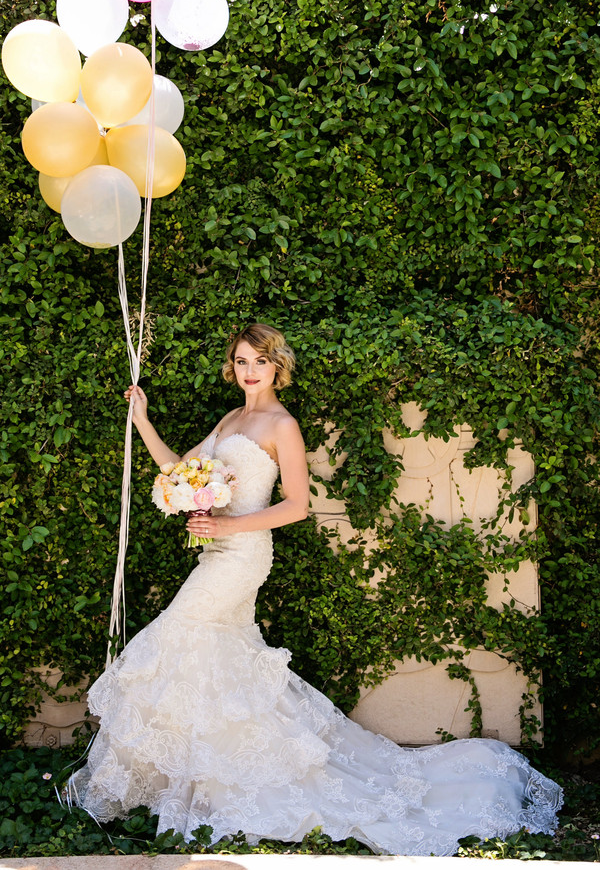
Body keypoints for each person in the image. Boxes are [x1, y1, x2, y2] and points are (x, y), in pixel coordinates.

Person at [68, 323, 563, 855]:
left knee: (179, 635)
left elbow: (298, 505)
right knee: (214, 660)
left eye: (258, 361)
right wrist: (141, 420)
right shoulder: (231, 418)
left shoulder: (283, 424)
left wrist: (228, 526)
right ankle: (215, 778)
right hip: (217, 551)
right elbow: (179, 471)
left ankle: (216, 778)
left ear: (276, 367)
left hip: (242, 554)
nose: (249, 370)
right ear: (232, 367)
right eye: (240, 361)